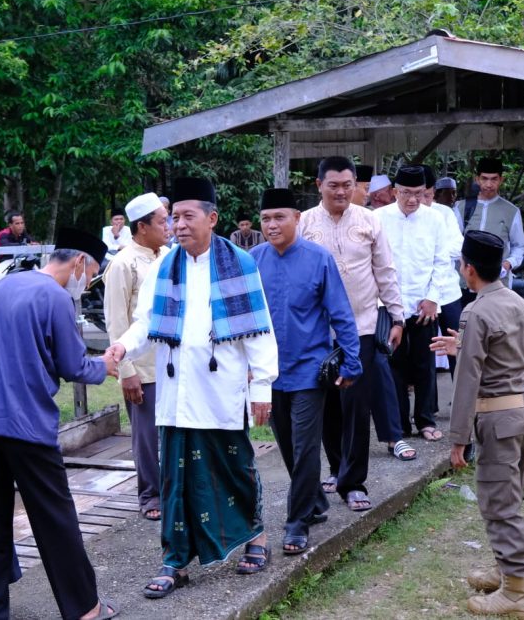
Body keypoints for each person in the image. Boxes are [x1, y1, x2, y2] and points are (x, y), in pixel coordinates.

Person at [106, 177, 279, 597]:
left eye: (187, 216)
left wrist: (263, 388)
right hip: (175, 392)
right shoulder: (166, 265)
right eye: (173, 217)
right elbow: (147, 322)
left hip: (220, 391)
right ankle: (175, 560)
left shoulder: (239, 262)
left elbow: (258, 330)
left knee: (234, 469)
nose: (178, 225)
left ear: (212, 218)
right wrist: (123, 345)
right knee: (176, 480)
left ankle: (254, 537)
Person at [0, 228, 120, 620]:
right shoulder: (56, 297)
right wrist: (105, 365)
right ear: (79, 261)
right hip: (26, 425)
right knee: (55, 520)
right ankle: (85, 609)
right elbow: (72, 365)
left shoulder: (1, 287)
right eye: (93, 272)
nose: (89, 282)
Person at [431, 230, 524, 617]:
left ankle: (515, 593)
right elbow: (505, 354)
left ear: (468, 269)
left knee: (500, 503)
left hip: (495, 417)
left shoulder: (475, 312)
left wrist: (457, 438)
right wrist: (461, 343)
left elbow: (467, 379)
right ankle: (505, 572)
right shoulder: (518, 302)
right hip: (523, 411)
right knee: (510, 494)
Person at [250, 187, 361, 554]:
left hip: (310, 372)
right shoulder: (252, 261)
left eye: (280, 217)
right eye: (266, 218)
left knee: (305, 446)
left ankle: (297, 523)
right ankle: (315, 502)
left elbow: (341, 315)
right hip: (268, 373)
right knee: (286, 444)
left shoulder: (318, 259)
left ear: (297, 218)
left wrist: (351, 361)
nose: (272, 225)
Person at [299, 156, 407, 509]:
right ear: (319, 186)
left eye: (348, 185)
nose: (342, 191)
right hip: (316, 330)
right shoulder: (304, 223)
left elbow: (385, 271)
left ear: (357, 186)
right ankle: (335, 468)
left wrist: (397, 317)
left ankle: (354, 482)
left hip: (360, 326)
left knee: (357, 406)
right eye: (334, 185)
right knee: (326, 403)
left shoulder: (370, 221)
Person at [103, 192, 169, 521]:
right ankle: (150, 495)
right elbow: (117, 321)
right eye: (162, 221)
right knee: (146, 436)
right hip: (141, 367)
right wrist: (126, 370)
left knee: (172, 432)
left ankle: (173, 489)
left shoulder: (170, 255)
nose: (169, 226)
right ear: (142, 227)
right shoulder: (123, 263)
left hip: (171, 362)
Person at [376, 166, 452, 441]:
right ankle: (399, 426)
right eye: (406, 193)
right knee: (393, 365)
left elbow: (442, 261)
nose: (412, 199)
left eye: (418, 193)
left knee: (425, 364)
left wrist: (433, 297)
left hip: (424, 304)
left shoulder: (435, 219)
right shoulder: (378, 218)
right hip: (389, 304)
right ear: (395, 191)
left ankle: (425, 420)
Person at [453, 157, 524, 296]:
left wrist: (508, 263)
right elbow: (453, 242)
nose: (489, 184)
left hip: (498, 285)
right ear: (477, 179)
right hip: (464, 284)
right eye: (484, 178)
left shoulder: (511, 211)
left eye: (494, 179)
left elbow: (520, 245)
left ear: (501, 180)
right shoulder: (462, 207)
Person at [423, 167, 464, 378]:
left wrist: (432, 252)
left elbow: (458, 246)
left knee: (457, 346)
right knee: (425, 353)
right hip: (421, 295)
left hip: (448, 292)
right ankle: (428, 409)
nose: (422, 200)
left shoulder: (444, 213)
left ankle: (462, 400)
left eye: (427, 195)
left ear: (433, 193)